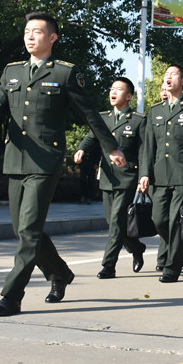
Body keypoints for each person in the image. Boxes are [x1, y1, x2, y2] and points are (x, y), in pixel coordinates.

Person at [0, 11, 125, 317]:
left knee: (29, 230)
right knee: (23, 230)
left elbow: (90, 115)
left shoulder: (65, 73)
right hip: (15, 159)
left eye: (37, 32)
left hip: (45, 161)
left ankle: (12, 295)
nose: (30, 36)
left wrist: (110, 148)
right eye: (27, 31)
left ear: (52, 37)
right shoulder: (12, 71)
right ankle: (59, 274)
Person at [137, 64, 183, 283]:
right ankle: (181, 244)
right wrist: (144, 174)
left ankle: (172, 267)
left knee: (175, 219)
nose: (168, 78)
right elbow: (148, 147)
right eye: (166, 74)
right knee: (159, 219)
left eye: (173, 74)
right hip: (159, 175)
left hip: (182, 174)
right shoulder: (156, 111)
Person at [73, 77, 146, 279]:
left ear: (129, 96)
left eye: (119, 89)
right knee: (113, 221)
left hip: (127, 177)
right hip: (107, 177)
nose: (113, 92)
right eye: (112, 88)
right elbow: (91, 137)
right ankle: (137, 248)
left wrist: (143, 176)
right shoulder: (102, 118)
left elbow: (143, 151)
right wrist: (81, 149)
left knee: (116, 222)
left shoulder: (139, 120)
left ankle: (108, 266)